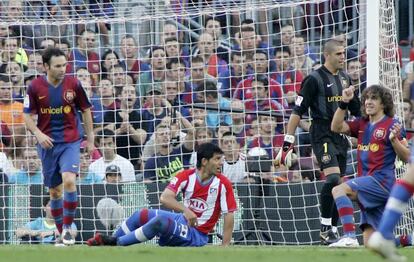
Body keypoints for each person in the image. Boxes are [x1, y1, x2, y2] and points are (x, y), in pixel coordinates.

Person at [275, 39, 361, 245]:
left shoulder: (345, 79)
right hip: (321, 132)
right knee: (332, 179)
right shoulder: (313, 79)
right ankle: (325, 227)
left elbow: (357, 111)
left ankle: (330, 230)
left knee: (339, 185)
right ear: (327, 55)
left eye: (343, 53)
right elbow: (297, 112)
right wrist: (287, 145)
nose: (343, 57)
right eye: (339, 54)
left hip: (340, 134)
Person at [87, 142, 237, 247]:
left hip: (197, 234)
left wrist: (225, 245)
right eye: (217, 159)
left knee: (159, 222)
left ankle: (116, 243)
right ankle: (110, 241)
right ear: (204, 161)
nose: (221, 163)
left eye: (221, 159)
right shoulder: (186, 175)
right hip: (182, 219)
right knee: (142, 214)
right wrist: (186, 211)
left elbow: (229, 214)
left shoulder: (223, 183)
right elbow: (165, 197)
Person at [23, 47, 95, 245]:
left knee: (69, 180)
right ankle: (61, 232)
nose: (62, 69)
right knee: (54, 192)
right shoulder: (35, 87)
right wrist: (38, 134)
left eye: (64, 65)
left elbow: (86, 110)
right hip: (47, 146)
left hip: (71, 141)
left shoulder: (74, 84)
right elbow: (27, 116)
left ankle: (68, 231)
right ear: (46, 66)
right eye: (57, 66)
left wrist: (90, 138)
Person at [328, 85, 409, 248]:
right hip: (367, 182)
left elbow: (407, 157)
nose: (368, 102)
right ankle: (410, 239)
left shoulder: (393, 124)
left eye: (374, 98)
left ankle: (349, 237)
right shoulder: (362, 124)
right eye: (367, 98)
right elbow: (335, 127)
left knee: (338, 190)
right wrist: (344, 102)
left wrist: (394, 141)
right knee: (373, 243)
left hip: (381, 182)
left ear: (383, 104)